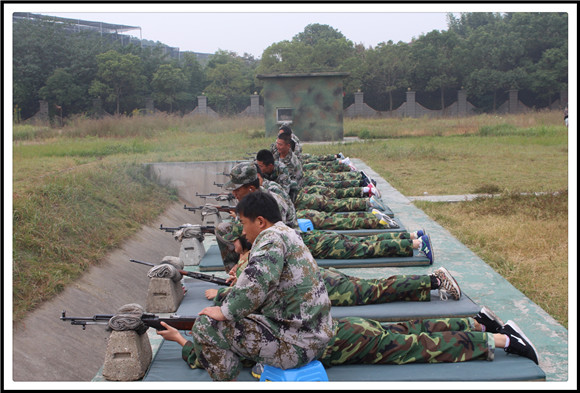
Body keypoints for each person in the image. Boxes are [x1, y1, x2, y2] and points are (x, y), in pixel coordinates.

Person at [158, 191, 334, 381]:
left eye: (243, 223)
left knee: (206, 326)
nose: (242, 231)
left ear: (260, 222)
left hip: (298, 345)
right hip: (312, 336)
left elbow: (254, 284)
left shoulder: (270, 238)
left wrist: (224, 312)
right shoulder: (287, 233)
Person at [215, 162, 298, 272]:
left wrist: (244, 261)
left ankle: (247, 273)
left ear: (251, 188)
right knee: (222, 229)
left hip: (282, 243)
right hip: (262, 236)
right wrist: (237, 240)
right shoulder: (245, 200)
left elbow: (272, 239)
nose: (233, 193)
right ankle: (234, 275)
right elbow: (239, 224)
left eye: (237, 189)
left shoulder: (273, 202)